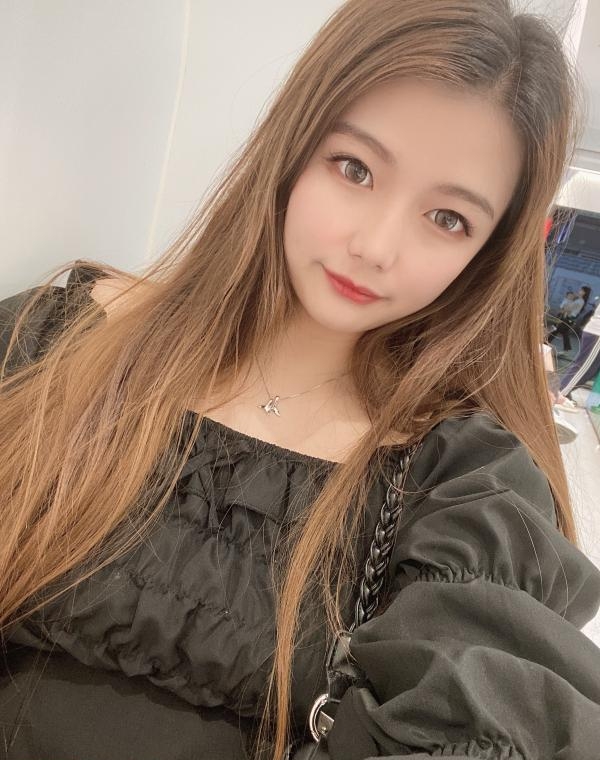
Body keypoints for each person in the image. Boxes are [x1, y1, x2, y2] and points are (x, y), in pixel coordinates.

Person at [1, 1, 600, 758]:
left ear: (486, 255)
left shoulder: (463, 487)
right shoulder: (61, 339)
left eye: (448, 218)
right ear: (294, 144)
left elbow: (479, 709)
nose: (375, 246)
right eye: (355, 169)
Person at [555, 296, 600, 406]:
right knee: (584, 367)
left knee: (591, 371)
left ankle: (564, 391)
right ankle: (561, 393)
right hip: (597, 333)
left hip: (595, 333)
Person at [548, 285, 589, 354]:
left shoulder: (581, 301)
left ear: (584, 293)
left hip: (569, 318)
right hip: (567, 317)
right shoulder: (578, 299)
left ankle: (547, 342)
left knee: (557, 329)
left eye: (581, 290)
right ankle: (566, 348)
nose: (579, 291)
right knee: (561, 331)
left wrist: (565, 308)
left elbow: (569, 308)